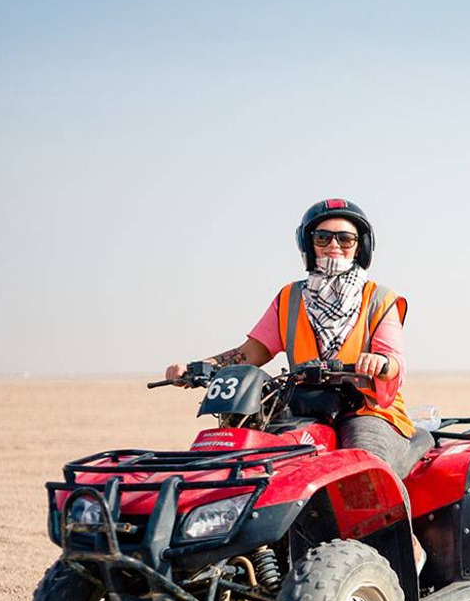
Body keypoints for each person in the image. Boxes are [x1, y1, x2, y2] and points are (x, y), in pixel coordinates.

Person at [164, 198, 416, 473]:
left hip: (365, 410)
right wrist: (199, 368)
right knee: (251, 457)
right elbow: (250, 353)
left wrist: (380, 363)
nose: (334, 245)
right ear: (309, 244)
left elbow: (394, 362)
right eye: (323, 237)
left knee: (364, 465)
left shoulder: (379, 298)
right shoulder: (290, 297)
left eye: (345, 239)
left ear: (360, 247)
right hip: (302, 406)